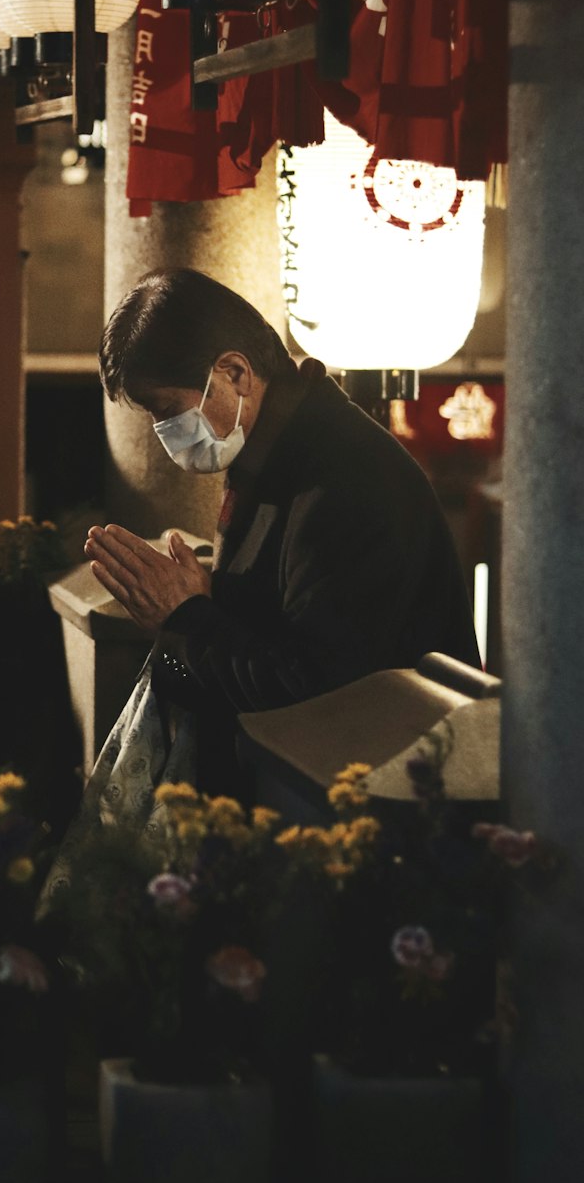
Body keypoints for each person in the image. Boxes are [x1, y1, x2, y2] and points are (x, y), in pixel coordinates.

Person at [82, 266, 481, 795]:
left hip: (377, 799)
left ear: (236, 373)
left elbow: (317, 688)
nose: (165, 434)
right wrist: (199, 600)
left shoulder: (344, 479)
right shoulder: (271, 457)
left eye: (168, 410)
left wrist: (188, 616)